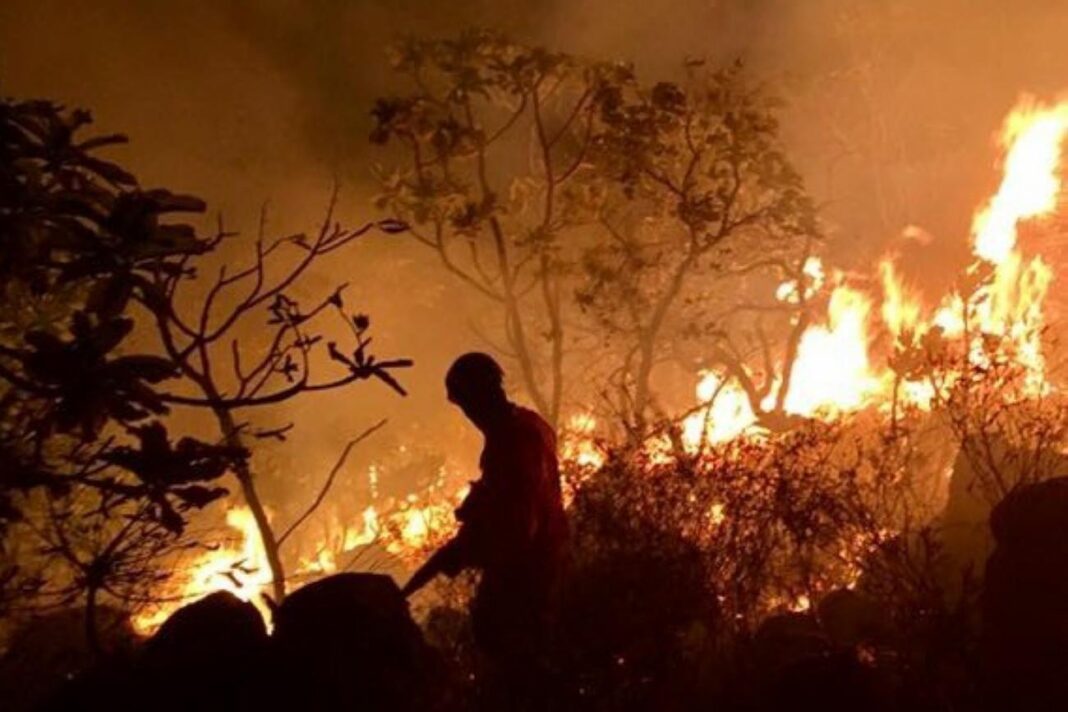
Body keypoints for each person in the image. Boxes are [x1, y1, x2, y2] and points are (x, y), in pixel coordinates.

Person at [402, 352, 567, 701]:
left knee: (509, 649)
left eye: (466, 404)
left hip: (526, 569)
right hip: (542, 557)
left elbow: (521, 521)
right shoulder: (527, 425)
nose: (468, 414)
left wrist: (478, 544)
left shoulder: (512, 439)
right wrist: (480, 500)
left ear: (480, 397)